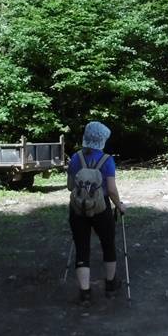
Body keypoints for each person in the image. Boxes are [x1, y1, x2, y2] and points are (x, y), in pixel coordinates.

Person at [68, 120, 126, 304]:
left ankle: (85, 293)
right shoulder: (107, 160)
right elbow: (111, 190)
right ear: (102, 139)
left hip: (78, 208)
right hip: (101, 209)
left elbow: (70, 186)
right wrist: (119, 205)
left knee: (82, 248)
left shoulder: (76, 158)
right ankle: (110, 285)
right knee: (108, 244)